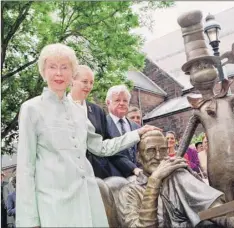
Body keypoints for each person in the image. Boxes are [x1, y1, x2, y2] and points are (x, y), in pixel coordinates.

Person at [16, 43, 159, 227]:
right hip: (54, 208)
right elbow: (26, 168)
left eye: (64, 67)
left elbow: (101, 147)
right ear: (44, 71)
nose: (58, 73)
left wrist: (137, 133)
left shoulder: (78, 111)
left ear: (72, 73)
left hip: (88, 201)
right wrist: (29, 221)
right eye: (52, 67)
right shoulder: (31, 109)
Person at [118, 130, 234, 227]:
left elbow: (202, 201)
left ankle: (231, 218)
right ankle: (231, 219)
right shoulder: (129, 191)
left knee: (177, 172)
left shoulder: (177, 177)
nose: (157, 156)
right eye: (150, 151)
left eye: (162, 150)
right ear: (139, 157)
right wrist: (154, 182)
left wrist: (187, 171)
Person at [69, 65, 136, 178]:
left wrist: (132, 168)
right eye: (85, 81)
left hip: (100, 176)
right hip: (72, 175)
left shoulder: (97, 111)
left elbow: (108, 145)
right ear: (72, 81)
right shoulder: (60, 108)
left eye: (91, 82)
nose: (89, 86)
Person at [106, 85, 143, 177]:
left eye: (125, 100)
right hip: (112, 181)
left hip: (138, 179)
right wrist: (133, 168)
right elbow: (110, 153)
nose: (122, 103)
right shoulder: (102, 124)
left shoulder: (136, 127)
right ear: (108, 103)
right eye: (117, 100)